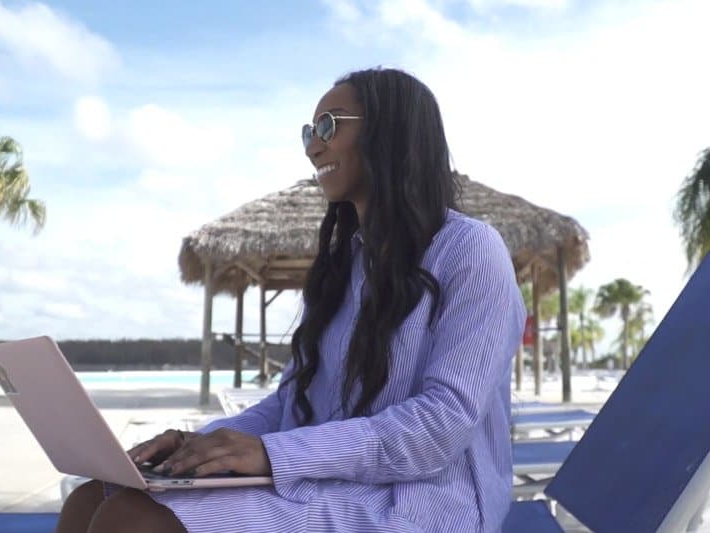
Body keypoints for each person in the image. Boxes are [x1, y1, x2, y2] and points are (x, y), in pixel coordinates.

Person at [56, 67, 526, 533]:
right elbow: (290, 404)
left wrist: (272, 453)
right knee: (92, 497)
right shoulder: (345, 268)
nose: (312, 147)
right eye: (308, 132)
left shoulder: (470, 251)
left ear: (389, 134)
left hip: (425, 505)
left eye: (328, 126)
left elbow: (441, 424)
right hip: (330, 484)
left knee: (131, 521)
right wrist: (195, 445)